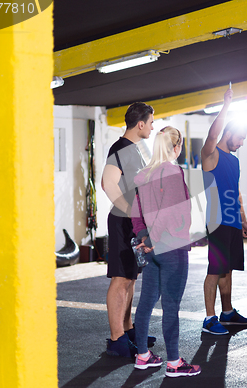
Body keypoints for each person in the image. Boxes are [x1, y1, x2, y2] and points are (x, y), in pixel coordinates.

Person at [131, 126, 201, 377]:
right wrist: (153, 238)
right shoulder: (173, 171)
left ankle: (142, 356)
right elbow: (169, 210)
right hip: (170, 247)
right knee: (171, 305)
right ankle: (173, 363)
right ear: (176, 147)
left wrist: (143, 237)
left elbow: (136, 212)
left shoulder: (143, 175)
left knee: (146, 303)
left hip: (151, 249)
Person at [101, 102, 156, 357]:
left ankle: (128, 329)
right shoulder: (120, 148)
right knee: (120, 278)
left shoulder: (136, 150)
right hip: (122, 221)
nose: (153, 127)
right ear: (141, 123)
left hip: (134, 223)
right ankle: (116, 340)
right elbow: (107, 183)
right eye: (151, 122)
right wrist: (130, 210)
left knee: (131, 278)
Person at [201, 87, 247, 335]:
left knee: (227, 268)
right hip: (217, 220)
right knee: (215, 269)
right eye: (240, 138)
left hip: (232, 220)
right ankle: (210, 319)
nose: (241, 143)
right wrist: (226, 106)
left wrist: (243, 218)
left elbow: (237, 189)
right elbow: (212, 135)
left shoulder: (235, 160)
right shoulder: (211, 155)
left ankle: (227, 312)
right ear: (229, 132)